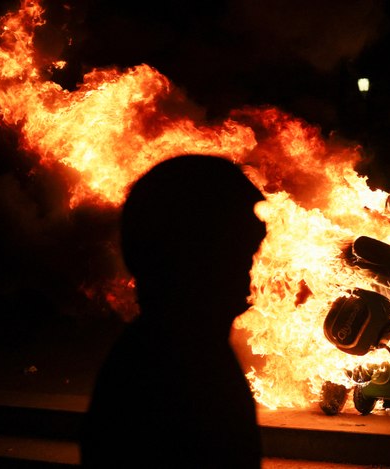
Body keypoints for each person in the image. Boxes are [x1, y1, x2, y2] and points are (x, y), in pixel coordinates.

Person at [79, 154, 266, 468]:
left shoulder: (193, 353)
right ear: (193, 250)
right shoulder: (169, 374)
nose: (258, 239)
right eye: (238, 228)